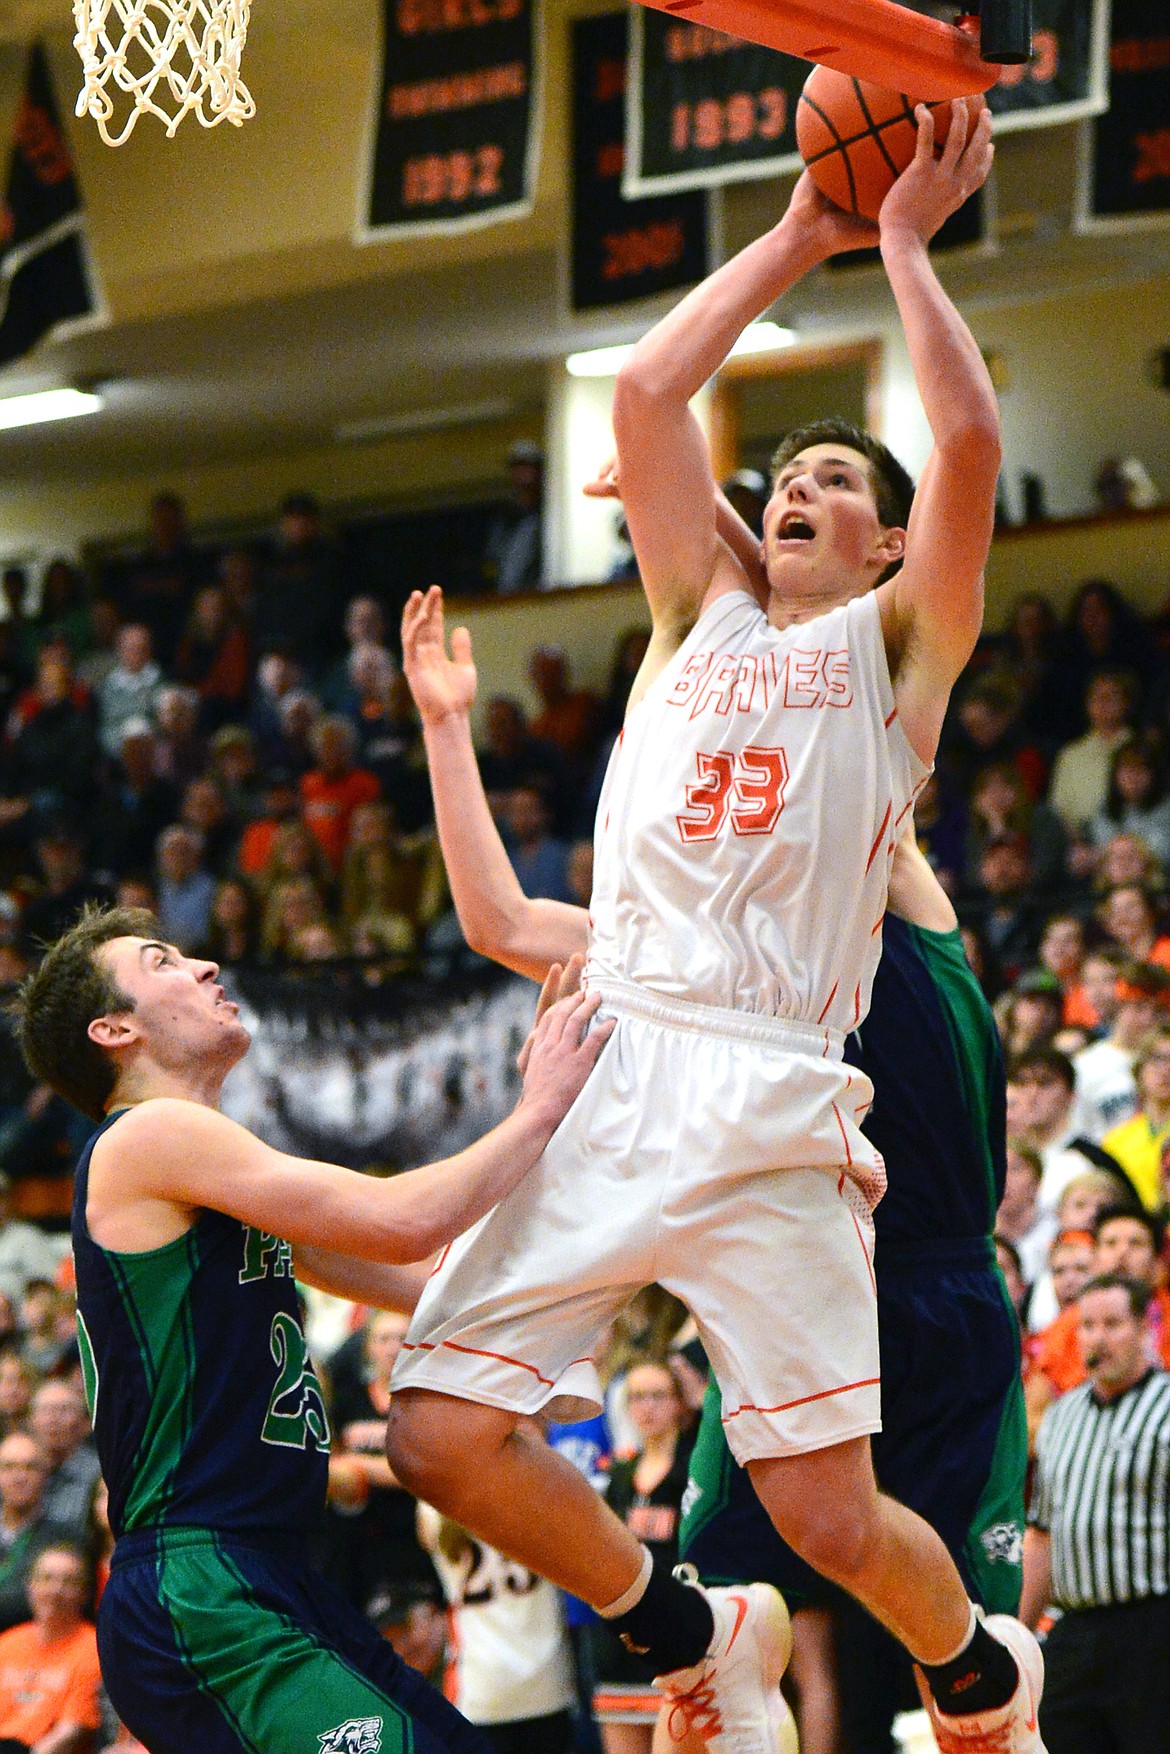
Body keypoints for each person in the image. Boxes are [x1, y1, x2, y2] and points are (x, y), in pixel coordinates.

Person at [388, 101, 1042, 1752]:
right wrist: (802, 230)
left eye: (841, 477)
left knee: (832, 1516)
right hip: (620, 1050)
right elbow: (645, 392)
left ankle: (977, 1679)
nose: (806, 483)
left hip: (769, 1084)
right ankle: (694, 1627)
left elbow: (968, 445)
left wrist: (900, 245)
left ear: (888, 543)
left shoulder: (898, 659)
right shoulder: (700, 609)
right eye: (792, 471)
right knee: (439, 1433)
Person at [11, 903, 612, 1754]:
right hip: (200, 1583)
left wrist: (591, 1281)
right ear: (113, 1029)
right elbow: (402, 1220)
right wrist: (537, 1108)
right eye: (163, 963)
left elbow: (425, 1279)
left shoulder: (216, 1174)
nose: (205, 968)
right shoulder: (149, 1135)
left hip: (270, 1572)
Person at [1021, 1274, 1170, 1751]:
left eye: (1112, 1324)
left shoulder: (1166, 1408)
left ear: (1146, 1327)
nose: (1098, 1338)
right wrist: (1017, 1637)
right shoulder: (1061, 1417)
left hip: (1152, 1627)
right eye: (1087, 1326)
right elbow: (1041, 1535)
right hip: (1076, 1629)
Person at [0, 1541, 101, 1754]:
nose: (55, 1590)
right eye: (46, 1578)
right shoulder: (8, 1642)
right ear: (30, 1585)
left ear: (84, 1593)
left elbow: (72, 1732)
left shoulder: (93, 1649)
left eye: (69, 1582)